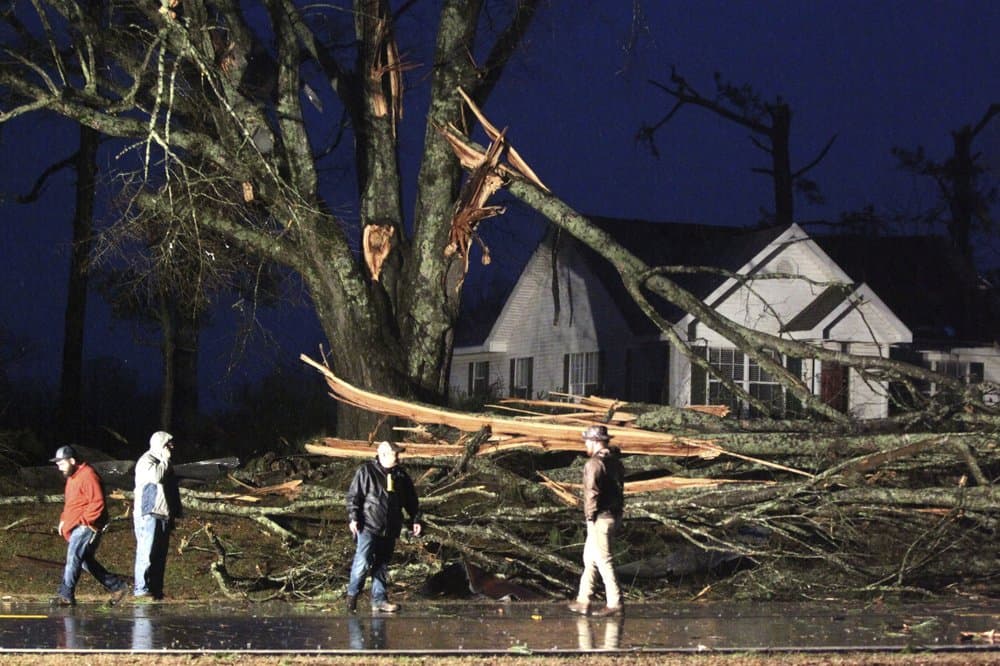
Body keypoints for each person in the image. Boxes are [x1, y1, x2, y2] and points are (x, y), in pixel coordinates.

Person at [345, 440, 422, 613]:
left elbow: (411, 500)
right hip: (368, 525)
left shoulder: (401, 475)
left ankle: (379, 600)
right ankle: (352, 595)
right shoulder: (366, 471)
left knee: (382, 565)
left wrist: (416, 519)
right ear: (384, 455)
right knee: (363, 561)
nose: (398, 457)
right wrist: (353, 518)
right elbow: (354, 496)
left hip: (390, 527)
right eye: (395, 454)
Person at [50, 445, 127, 606]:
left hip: (86, 526)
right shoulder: (72, 477)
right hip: (76, 526)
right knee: (85, 561)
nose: (59, 467)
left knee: (73, 558)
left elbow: (97, 502)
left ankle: (65, 595)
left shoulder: (88, 475)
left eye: (62, 463)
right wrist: (64, 520)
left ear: (72, 461)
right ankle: (117, 586)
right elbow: (72, 503)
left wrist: (84, 521)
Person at [568, 425, 625, 617]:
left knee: (603, 560)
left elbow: (591, 493)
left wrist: (590, 517)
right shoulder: (616, 463)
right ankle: (583, 600)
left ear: (595, 442)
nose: (585, 444)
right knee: (590, 558)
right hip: (614, 515)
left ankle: (615, 603)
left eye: (587, 441)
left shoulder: (593, 464)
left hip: (600, 518)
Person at [133, 430, 181, 601]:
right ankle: (141, 590)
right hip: (149, 514)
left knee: (160, 556)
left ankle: (155, 590)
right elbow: (157, 477)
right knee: (146, 553)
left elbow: (171, 489)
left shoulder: (166, 463)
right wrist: (165, 460)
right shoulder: (147, 460)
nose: (172, 447)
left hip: (164, 514)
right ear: (161, 445)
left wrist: (175, 513)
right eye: (169, 444)